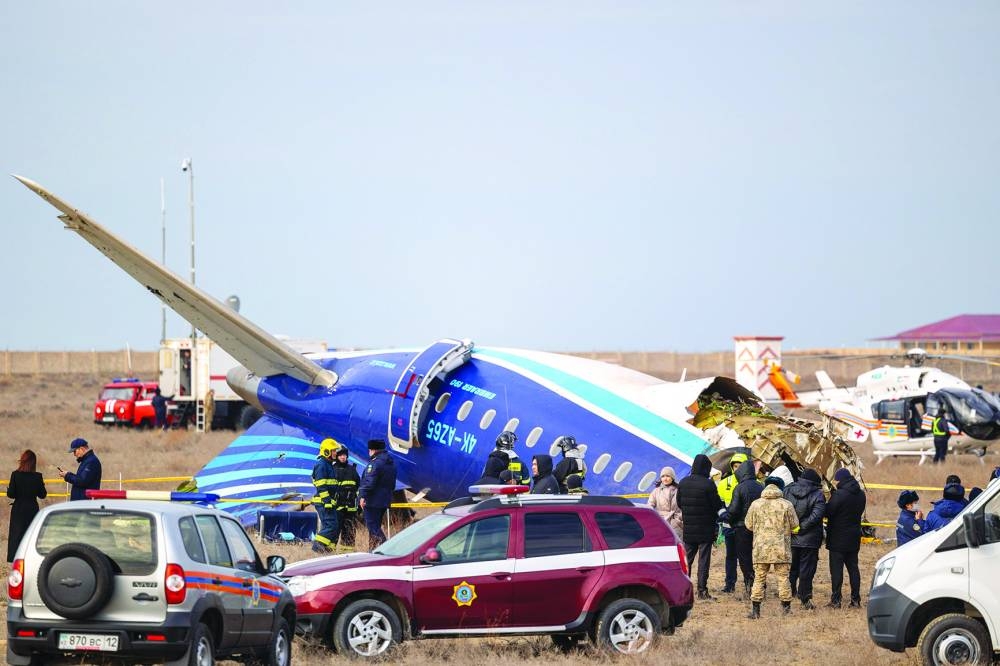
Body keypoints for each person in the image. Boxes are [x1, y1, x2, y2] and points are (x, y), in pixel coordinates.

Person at [745, 477, 799, 618]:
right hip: (781, 549)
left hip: (761, 549)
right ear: (780, 488)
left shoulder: (756, 504)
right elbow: (795, 524)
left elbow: (748, 525)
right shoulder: (786, 505)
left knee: (759, 578)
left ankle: (756, 611)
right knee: (783, 578)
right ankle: (786, 610)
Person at [677, 453, 723, 600]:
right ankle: (702, 591)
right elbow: (716, 505)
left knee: (687, 561)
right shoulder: (708, 484)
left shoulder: (683, 482)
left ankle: (684, 591)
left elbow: (679, 503)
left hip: (689, 530)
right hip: (705, 529)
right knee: (703, 561)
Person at [784, 468, 826, 610]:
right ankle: (804, 597)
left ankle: (788, 593)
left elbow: (783, 510)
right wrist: (801, 527)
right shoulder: (818, 494)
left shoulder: (788, 490)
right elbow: (817, 515)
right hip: (810, 539)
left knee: (791, 567)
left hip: (791, 536)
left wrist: (793, 527)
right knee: (807, 570)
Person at [825, 468, 866, 609]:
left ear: (840, 480)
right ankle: (855, 600)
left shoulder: (839, 495)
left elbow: (829, 512)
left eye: (836, 480)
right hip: (854, 537)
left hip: (837, 538)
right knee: (853, 569)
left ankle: (836, 600)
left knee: (836, 571)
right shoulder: (861, 494)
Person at [727, 457, 763, 598]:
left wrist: (729, 520)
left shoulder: (739, 488)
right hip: (759, 528)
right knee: (758, 558)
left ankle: (750, 584)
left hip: (742, 528)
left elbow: (734, 510)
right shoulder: (761, 486)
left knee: (744, 557)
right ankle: (760, 585)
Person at [7, 450, 47, 562]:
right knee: (30, 535)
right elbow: (43, 495)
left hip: (18, 509)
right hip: (32, 509)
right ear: (34, 462)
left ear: (22, 461)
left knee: (16, 535)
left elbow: (11, 494)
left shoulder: (15, 475)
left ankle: (15, 559)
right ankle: (30, 559)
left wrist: (9, 489)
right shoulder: (38, 476)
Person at [716, 453, 747, 594]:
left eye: (740, 466)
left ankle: (749, 583)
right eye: (735, 466)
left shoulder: (752, 483)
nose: (737, 469)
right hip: (729, 525)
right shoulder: (724, 483)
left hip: (745, 527)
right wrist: (724, 517)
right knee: (730, 556)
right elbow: (720, 503)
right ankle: (729, 584)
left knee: (746, 557)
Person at [359, 439, 396, 551]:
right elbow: (392, 484)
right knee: (375, 528)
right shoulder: (390, 463)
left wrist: (362, 496)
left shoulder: (375, 464)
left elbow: (369, 482)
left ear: (373, 450)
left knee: (373, 527)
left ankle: (388, 548)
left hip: (372, 501)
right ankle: (373, 551)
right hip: (384, 500)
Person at [311, 439, 339, 553]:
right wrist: (327, 501)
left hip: (328, 502)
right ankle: (317, 545)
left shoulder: (328, 464)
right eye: (333, 451)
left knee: (334, 526)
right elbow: (321, 485)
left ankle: (328, 550)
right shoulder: (321, 465)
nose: (335, 453)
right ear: (326, 452)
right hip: (323, 502)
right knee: (331, 526)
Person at [331, 445, 360, 548]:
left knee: (349, 533)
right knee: (334, 532)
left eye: (344, 455)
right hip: (337, 508)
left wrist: (358, 503)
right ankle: (329, 552)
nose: (343, 457)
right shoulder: (332, 469)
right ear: (337, 456)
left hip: (351, 509)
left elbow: (358, 487)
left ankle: (348, 553)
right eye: (340, 455)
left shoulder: (352, 470)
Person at [648, 466, 683, 540]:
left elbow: (683, 507)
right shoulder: (656, 491)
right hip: (661, 522)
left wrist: (678, 520)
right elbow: (650, 506)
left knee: (676, 544)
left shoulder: (679, 490)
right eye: (663, 476)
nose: (665, 478)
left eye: (667, 476)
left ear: (672, 477)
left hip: (676, 523)